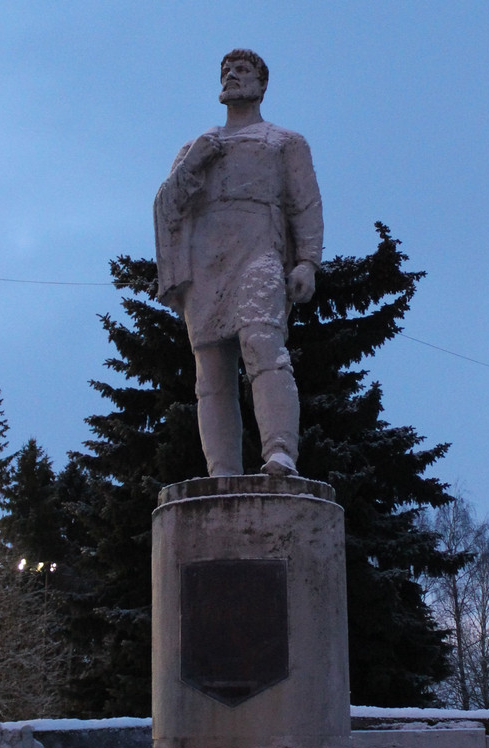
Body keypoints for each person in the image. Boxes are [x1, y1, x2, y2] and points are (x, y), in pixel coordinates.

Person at [154, 49, 323, 477]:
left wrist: (307, 261)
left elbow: (304, 205)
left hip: (259, 253)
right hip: (205, 264)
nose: (231, 75)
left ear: (262, 84)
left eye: (242, 70)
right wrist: (194, 164)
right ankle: (222, 474)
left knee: (263, 344)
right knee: (210, 374)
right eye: (226, 70)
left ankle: (280, 451)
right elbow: (167, 207)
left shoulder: (284, 142)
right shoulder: (196, 147)